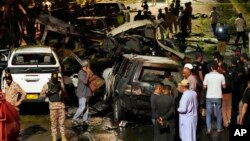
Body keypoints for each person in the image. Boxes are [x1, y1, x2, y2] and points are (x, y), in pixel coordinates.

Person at [40, 72, 67, 141]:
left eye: (56, 78)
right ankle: (54, 137)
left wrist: (62, 91)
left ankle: (63, 136)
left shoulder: (60, 84)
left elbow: (65, 95)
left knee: (62, 123)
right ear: (51, 77)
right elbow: (41, 95)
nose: (55, 80)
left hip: (61, 106)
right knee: (53, 123)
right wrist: (47, 93)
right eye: (53, 78)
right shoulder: (47, 85)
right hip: (53, 107)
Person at [203, 62, 226, 135]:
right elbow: (224, 86)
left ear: (211, 68)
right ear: (217, 68)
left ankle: (209, 129)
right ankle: (219, 128)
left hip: (209, 97)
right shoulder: (221, 76)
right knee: (219, 113)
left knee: (208, 114)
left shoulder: (207, 75)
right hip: (218, 96)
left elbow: (204, 87)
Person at [72, 59, 93, 125]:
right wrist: (88, 74)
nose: (90, 66)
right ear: (86, 66)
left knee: (86, 107)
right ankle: (74, 119)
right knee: (82, 106)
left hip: (87, 92)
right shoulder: (80, 72)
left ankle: (85, 120)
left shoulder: (87, 72)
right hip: (82, 92)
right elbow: (85, 82)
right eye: (89, 65)